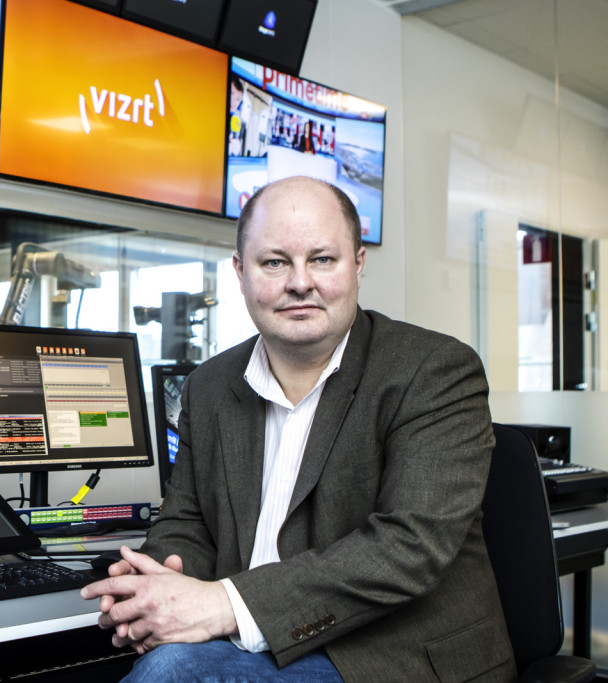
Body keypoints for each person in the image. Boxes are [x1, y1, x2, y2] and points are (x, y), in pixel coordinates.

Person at [81, 176, 515, 682]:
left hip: (387, 656)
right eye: (275, 262)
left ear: (358, 264)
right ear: (241, 273)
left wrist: (224, 604)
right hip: (245, 646)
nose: (300, 282)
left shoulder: (433, 369)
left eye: (322, 259)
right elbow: (190, 521)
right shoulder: (210, 386)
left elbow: (409, 547)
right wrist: (153, 586)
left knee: (172, 673)